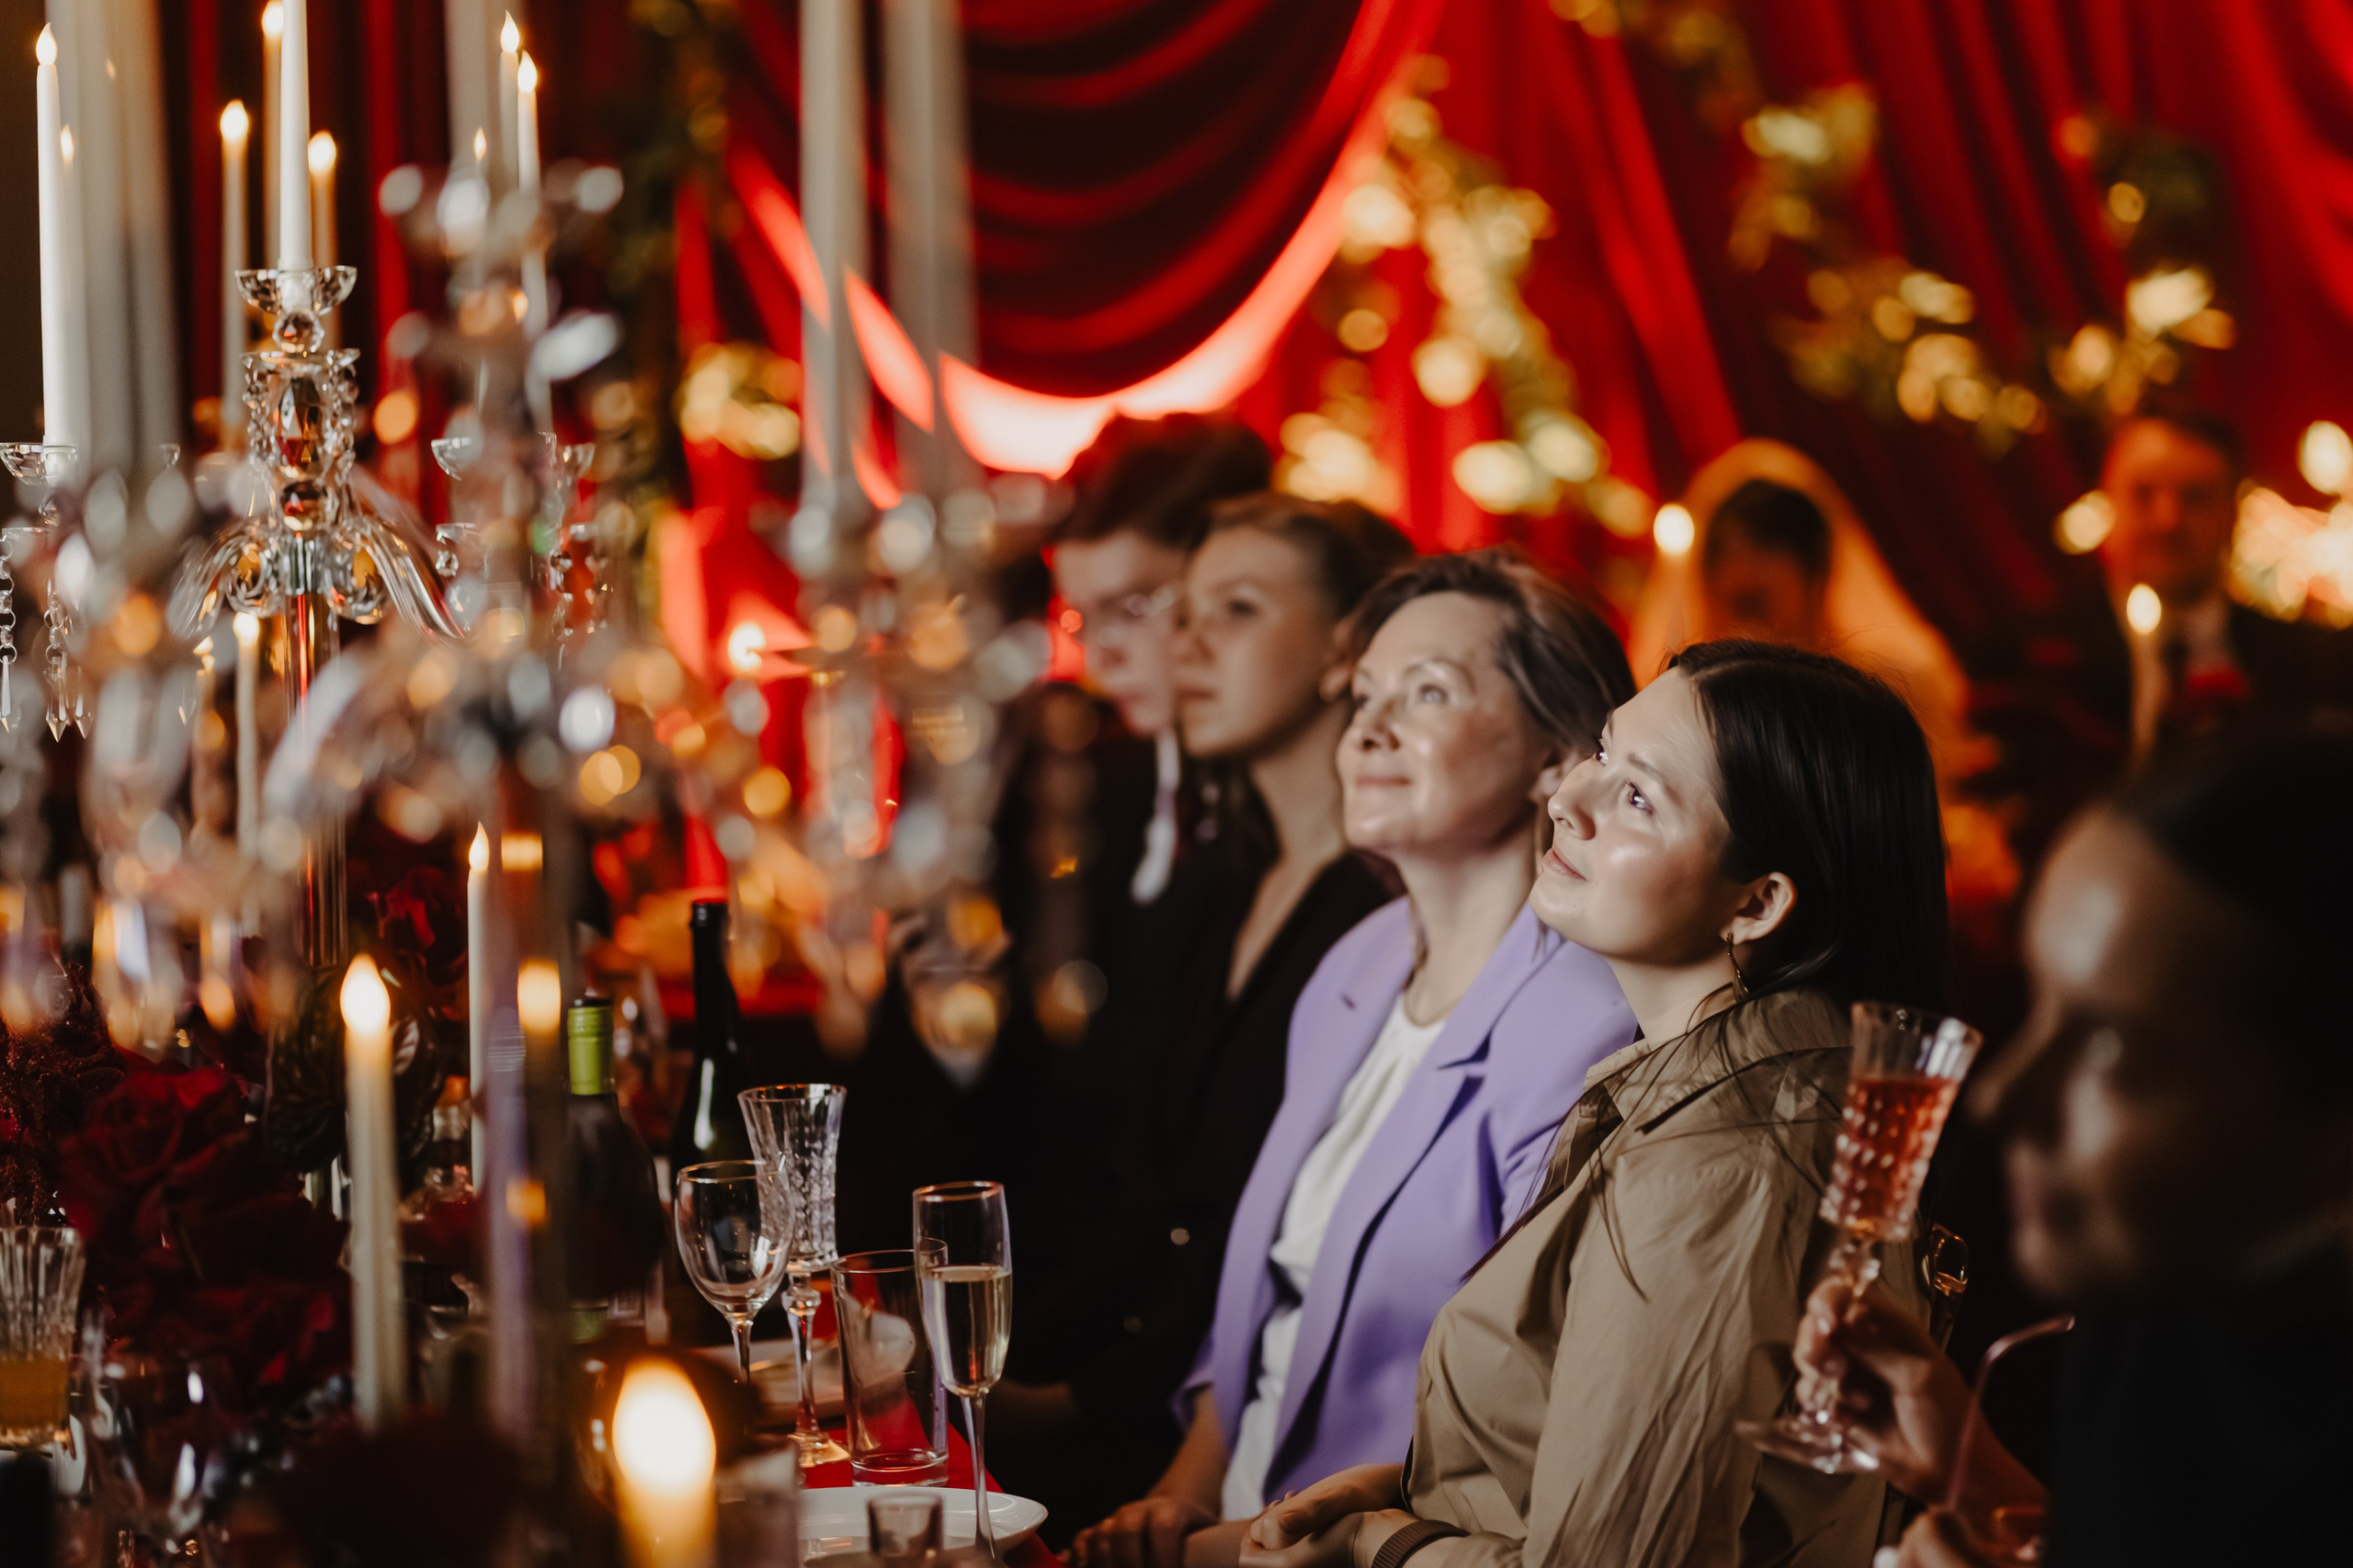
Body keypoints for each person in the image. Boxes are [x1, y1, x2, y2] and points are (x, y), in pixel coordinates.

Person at [1240, 640, 1950, 1568]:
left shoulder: (1722, 1153)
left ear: (1758, 901)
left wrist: (1385, 1545)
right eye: (1604, 753)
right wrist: (1395, 1484)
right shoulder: (1705, 1082)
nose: (1564, 798)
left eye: (1636, 796)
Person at [1070, 550, 1640, 1568]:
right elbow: (1261, 1311)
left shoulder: (1589, 1024)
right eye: (1365, 692)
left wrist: (1207, 1552)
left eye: (1426, 693)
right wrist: (1172, 1501)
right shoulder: (1354, 963)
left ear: (1558, 756)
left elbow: (1519, 1419)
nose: (1367, 729)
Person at [1791, 725, 2353, 1568]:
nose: (2001, 1097)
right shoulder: (2159, 1297)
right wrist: (1969, 1469)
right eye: (2038, 998)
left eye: (2112, 1051)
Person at [992, 494, 1415, 1539]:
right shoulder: (1227, 880)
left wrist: (1061, 1405)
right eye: (1180, 613)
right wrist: (1011, 1372)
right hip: (1138, 1399)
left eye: (1233, 610)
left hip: (1240, 1455)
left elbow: (1269, 1241)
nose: (1184, 645)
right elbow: (1148, 1189)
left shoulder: (1387, 909)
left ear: (1342, 650)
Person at [1972, 407, 2353, 869]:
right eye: (2144, 494)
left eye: (2195, 498)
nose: (2169, 520)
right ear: (2108, 504)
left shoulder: (2318, 663)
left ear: (2233, 515)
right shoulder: (2028, 660)